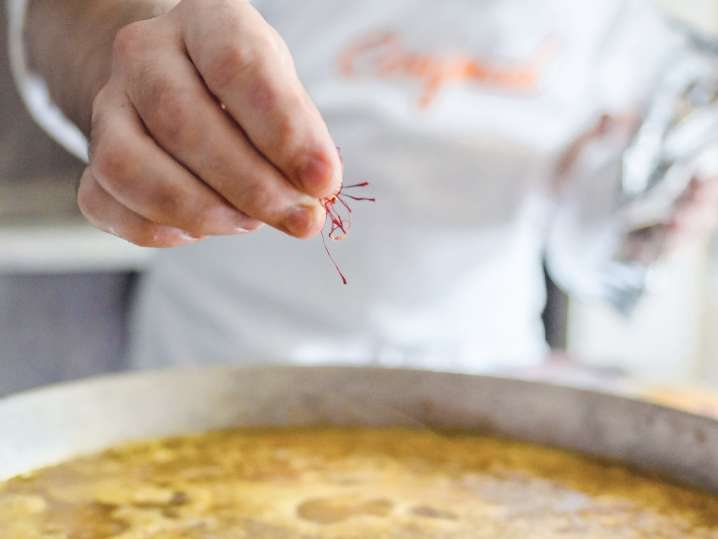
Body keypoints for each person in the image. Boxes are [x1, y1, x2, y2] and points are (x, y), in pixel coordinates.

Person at [7, 0, 718, 373]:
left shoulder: (620, 21)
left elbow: (591, 234)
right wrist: (129, 52)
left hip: (489, 385)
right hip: (222, 374)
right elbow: (68, 13)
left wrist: (650, 216)